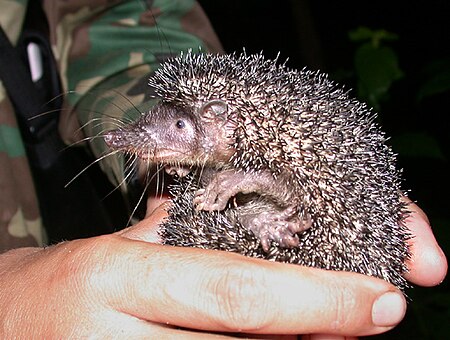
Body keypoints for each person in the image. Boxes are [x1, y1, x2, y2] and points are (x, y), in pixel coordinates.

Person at [0, 0, 447, 338]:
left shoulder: (274, 143)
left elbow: (113, 10)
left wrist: (233, 177)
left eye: (178, 123)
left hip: (288, 205)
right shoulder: (218, 144)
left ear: (220, 118)